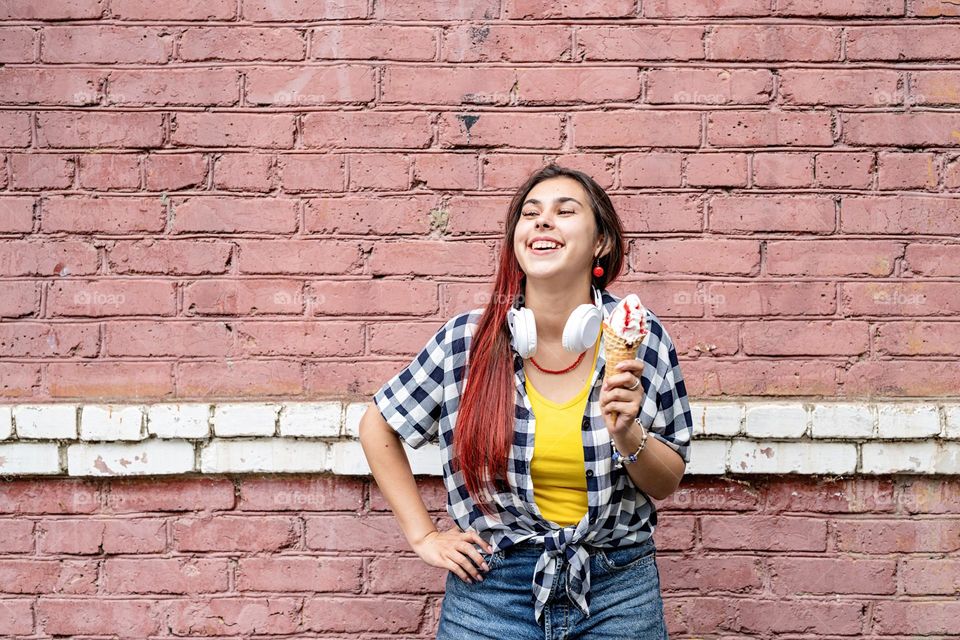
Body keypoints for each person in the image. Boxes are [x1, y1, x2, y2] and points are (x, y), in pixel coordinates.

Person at [359, 164, 693, 640]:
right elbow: (378, 424)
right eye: (530, 213)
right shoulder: (467, 341)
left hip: (618, 591)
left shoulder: (640, 336)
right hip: (491, 590)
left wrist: (627, 433)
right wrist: (424, 536)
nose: (542, 221)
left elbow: (667, 480)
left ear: (601, 242)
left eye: (565, 210)